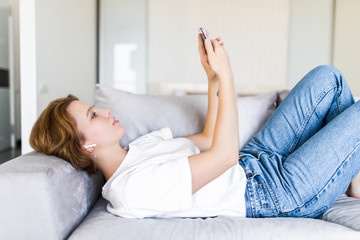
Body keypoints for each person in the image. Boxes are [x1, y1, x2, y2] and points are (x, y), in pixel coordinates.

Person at [30, 30, 360, 219]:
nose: (103, 112)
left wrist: (211, 77)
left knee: (327, 78)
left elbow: (206, 139)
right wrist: (228, 76)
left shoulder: (137, 148)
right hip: (274, 192)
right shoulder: (130, 189)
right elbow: (223, 157)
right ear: (82, 146)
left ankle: (353, 177)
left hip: (254, 160)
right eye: (92, 116)